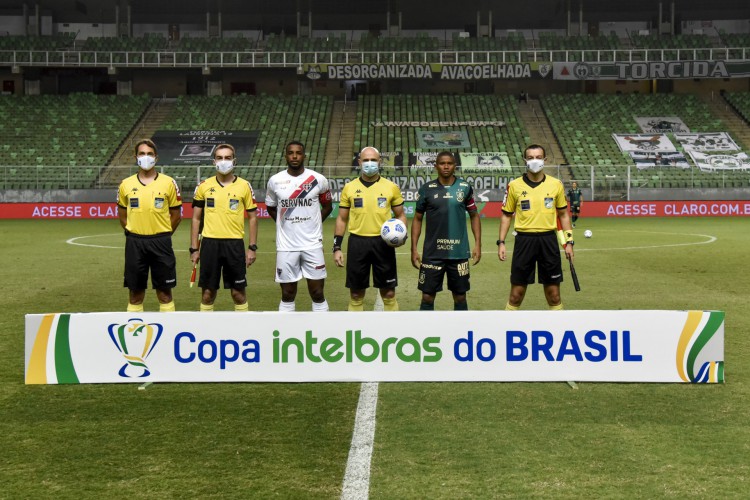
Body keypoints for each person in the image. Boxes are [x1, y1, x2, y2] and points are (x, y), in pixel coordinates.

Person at [498, 144, 574, 311]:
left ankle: (558, 331)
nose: (535, 161)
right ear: (525, 160)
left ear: (545, 160)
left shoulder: (556, 184)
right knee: (516, 294)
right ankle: (506, 330)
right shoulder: (514, 186)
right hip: (524, 241)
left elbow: (563, 215)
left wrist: (569, 243)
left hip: (548, 240)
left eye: (538, 157)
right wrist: (501, 242)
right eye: (530, 158)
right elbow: (506, 215)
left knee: (554, 294)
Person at [333, 146, 407, 311]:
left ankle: (391, 332)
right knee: (356, 295)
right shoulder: (349, 188)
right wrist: (337, 247)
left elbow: (401, 215)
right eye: (365, 160)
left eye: (373, 160)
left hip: (384, 244)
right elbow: (342, 218)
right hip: (357, 243)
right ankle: (357, 333)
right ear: (359, 162)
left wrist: (402, 235)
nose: (369, 163)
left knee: (388, 293)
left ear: (380, 162)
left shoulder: (391, 187)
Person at [266, 141, 333, 312]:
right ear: (286, 155)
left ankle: (322, 332)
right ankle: (286, 333)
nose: (294, 156)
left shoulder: (318, 180)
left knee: (317, 292)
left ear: (304, 156)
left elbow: (328, 206)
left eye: (298, 153)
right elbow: (271, 207)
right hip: (286, 246)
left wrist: (313, 224)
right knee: (287, 293)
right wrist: (283, 224)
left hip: (312, 244)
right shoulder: (275, 181)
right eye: (290, 153)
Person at [190, 143, 258, 312]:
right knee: (207, 293)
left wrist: (252, 248)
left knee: (238, 294)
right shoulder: (203, 186)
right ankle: (205, 333)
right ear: (214, 161)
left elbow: (253, 218)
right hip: (209, 244)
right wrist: (194, 249)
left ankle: (243, 334)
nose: (223, 161)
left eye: (227, 158)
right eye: (220, 158)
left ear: (234, 161)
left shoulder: (244, 186)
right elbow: (196, 219)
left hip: (234, 245)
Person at [411, 151, 482, 311]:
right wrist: (414, 248)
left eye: (449, 163)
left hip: (459, 253)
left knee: (460, 296)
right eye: (442, 163)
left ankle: (461, 333)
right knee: (427, 297)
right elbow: (417, 218)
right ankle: (427, 333)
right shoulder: (426, 189)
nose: (446, 166)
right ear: (436, 166)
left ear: (454, 166)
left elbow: (474, 215)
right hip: (432, 253)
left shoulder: (464, 188)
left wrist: (477, 244)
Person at [117, 139, 182, 312]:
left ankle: (168, 333)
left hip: (161, 242)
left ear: (156, 158)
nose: (146, 157)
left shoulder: (169, 183)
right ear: (136, 157)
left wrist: (164, 234)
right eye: (142, 154)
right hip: (135, 243)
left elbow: (176, 216)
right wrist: (134, 232)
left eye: (149, 154)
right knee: (135, 294)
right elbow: (122, 216)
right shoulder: (126, 184)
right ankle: (134, 335)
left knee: (165, 293)